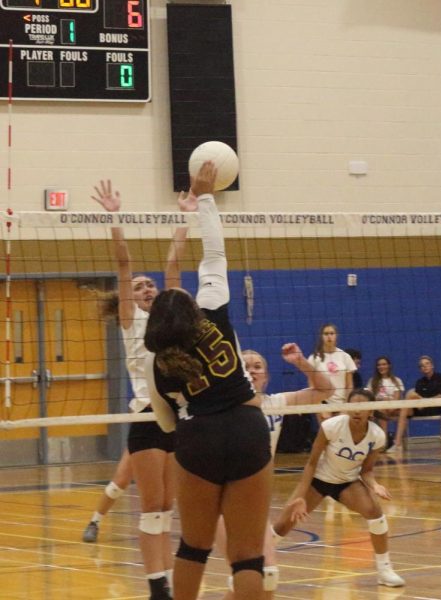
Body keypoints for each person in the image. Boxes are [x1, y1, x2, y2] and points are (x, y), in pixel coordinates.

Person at [145, 162, 271, 600]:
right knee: (248, 556)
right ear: (188, 308)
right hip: (246, 427)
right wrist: (205, 197)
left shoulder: (157, 361)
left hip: (196, 437)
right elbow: (214, 255)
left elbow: (165, 427)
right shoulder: (213, 309)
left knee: (193, 547)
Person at [84, 180, 193, 599]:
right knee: (151, 506)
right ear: (129, 299)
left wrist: (184, 220)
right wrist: (115, 216)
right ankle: (156, 587)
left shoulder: (171, 318)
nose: (146, 289)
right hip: (148, 417)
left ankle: (162, 581)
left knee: (167, 507)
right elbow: (124, 265)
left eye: (150, 286)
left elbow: (174, 270)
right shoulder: (132, 324)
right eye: (140, 287)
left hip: (179, 418)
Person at [214, 345, 334, 599]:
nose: (252, 371)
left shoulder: (276, 403)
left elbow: (326, 389)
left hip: (257, 503)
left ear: (266, 377)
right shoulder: (222, 408)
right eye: (245, 367)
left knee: (267, 575)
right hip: (225, 502)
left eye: (257, 367)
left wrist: (301, 362)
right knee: (243, 576)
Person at [274, 388, 406, 588]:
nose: (356, 411)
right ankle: (255, 562)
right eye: (353, 406)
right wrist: (300, 497)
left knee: (375, 513)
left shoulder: (377, 436)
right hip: (318, 480)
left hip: (347, 482)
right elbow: (311, 463)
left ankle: (384, 570)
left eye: (362, 407)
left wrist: (375, 485)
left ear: (371, 411)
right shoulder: (331, 426)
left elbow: (367, 470)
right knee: (283, 525)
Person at [394, 355, 441, 449]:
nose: (425, 366)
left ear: (432, 365)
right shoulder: (419, 382)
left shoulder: (440, 377)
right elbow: (417, 399)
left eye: (427, 364)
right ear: (420, 369)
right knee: (404, 406)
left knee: (410, 395)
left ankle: (397, 443)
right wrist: (421, 401)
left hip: (435, 408)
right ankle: (398, 443)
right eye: (422, 365)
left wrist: (426, 401)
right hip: (421, 408)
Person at [307, 323, 357, 420]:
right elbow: (312, 386)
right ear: (321, 337)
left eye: (331, 333)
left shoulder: (345, 356)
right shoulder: (314, 358)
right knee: (326, 434)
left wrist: (346, 406)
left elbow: (349, 385)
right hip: (323, 403)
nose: (329, 336)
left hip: (342, 403)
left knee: (342, 434)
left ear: (336, 335)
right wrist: (320, 407)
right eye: (326, 334)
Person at [368, 356, 405, 453]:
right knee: (381, 408)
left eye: (384, 364)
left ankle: (397, 443)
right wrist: (381, 400)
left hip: (393, 409)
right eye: (379, 365)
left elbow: (396, 399)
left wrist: (388, 402)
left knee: (404, 410)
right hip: (378, 410)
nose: (381, 367)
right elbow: (369, 398)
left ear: (389, 366)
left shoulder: (396, 381)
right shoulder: (372, 381)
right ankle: (383, 442)